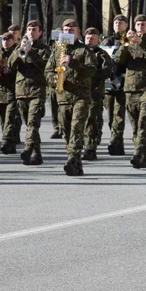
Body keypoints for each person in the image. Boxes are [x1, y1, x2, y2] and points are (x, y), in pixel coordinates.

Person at [114, 15, 146, 169]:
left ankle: (137, 153)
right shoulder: (128, 42)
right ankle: (144, 157)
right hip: (130, 88)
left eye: (143, 24)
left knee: (143, 123)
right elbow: (118, 60)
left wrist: (142, 44)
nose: (140, 26)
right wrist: (125, 44)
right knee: (135, 124)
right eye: (138, 24)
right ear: (134, 26)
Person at [50, 19, 97, 176]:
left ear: (78, 32)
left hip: (80, 96)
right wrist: (54, 80)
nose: (69, 33)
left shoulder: (85, 51)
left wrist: (73, 62)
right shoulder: (57, 50)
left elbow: (91, 71)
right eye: (66, 30)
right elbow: (48, 71)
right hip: (63, 97)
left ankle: (71, 159)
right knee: (67, 131)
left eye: (72, 30)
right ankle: (76, 164)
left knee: (77, 129)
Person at [8, 20, 50, 165]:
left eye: (34, 30)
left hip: (37, 91)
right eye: (29, 29)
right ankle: (36, 154)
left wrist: (31, 52)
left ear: (40, 33)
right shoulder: (20, 46)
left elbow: (45, 67)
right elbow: (10, 66)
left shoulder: (44, 49)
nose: (31, 32)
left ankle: (27, 149)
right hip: (21, 91)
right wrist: (20, 51)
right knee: (29, 124)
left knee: (33, 123)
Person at [83, 27, 113, 161]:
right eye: (88, 38)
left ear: (98, 40)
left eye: (93, 39)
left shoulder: (102, 55)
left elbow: (107, 72)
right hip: (80, 92)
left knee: (92, 119)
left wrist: (89, 72)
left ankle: (90, 147)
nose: (90, 40)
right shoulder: (80, 52)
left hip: (95, 92)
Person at [101, 14, 129, 155]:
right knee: (111, 115)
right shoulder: (107, 41)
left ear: (126, 25)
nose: (118, 23)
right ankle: (116, 140)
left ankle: (116, 142)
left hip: (123, 82)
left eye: (121, 22)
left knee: (119, 114)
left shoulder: (128, 40)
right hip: (109, 83)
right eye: (116, 22)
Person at [0, 32, 19, 154]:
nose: (6, 42)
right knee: (3, 121)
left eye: (8, 40)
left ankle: (5, 142)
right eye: (3, 40)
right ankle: (11, 144)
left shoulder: (17, 54)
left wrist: (11, 70)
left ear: (13, 41)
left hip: (13, 91)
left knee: (9, 119)